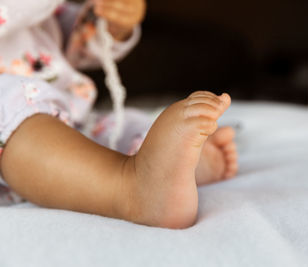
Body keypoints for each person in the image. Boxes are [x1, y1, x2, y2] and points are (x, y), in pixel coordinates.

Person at [0, 0, 238, 228]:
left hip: (63, 119)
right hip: (15, 136)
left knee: (119, 128)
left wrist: (109, 23)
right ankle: (131, 190)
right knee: (8, 106)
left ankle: (170, 166)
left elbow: (67, 40)